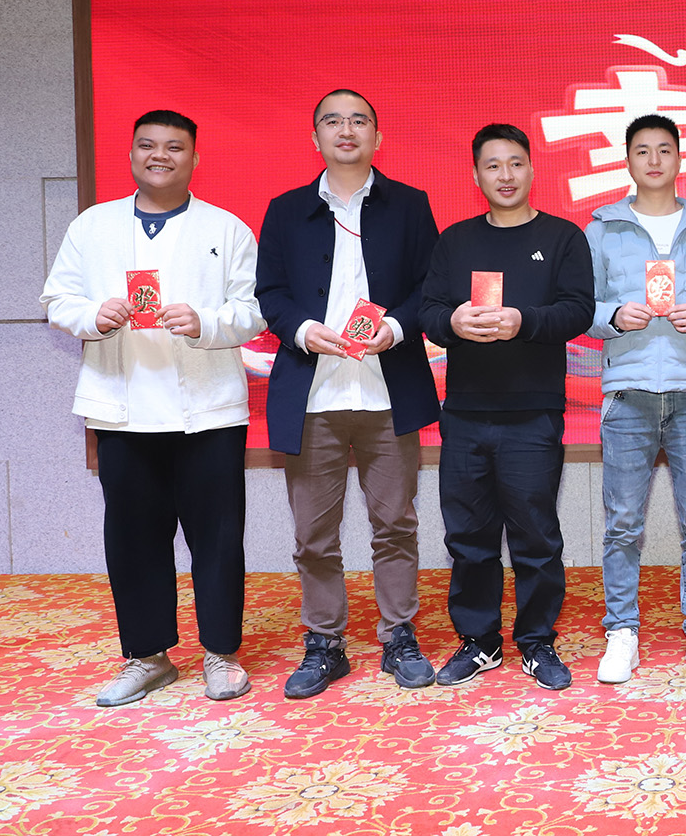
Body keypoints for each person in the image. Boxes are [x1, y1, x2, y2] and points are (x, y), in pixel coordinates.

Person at [40, 110, 265, 705]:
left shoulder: (226, 229)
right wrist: (94, 315)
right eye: (147, 145)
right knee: (133, 538)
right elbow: (57, 299)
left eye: (174, 147)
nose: (159, 155)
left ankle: (221, 653)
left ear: (194, 158)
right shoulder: (93, 225)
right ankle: (147, 656)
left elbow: (253, 311)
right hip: (122, 408)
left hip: (208, 412)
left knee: (218, 538)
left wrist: (206, 321)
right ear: (132, 154)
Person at [256, 89, 441, 699]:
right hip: (313, 396)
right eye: (332, 121)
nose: (346, 129)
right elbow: (270, 291)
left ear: (377, 138)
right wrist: (302, 330)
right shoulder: (286, 210)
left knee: (396, 524)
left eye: (359, 120)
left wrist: (397, 327)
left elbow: (430, 287)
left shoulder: (410, 205)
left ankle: (398, 636)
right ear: (314, 138)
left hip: (388, 393)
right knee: (314, 534)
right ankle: (324, 643)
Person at [419, 124, 593, 690]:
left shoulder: (563, 237)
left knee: (536, 537)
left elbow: (578, 310)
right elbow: (428, 311)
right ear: (476, 176)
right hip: (465, 412)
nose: (506, 175)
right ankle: (480, 641)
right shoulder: (456, 240)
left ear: (532, 170)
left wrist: (524, 321)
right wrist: (452, 322)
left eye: (516, 163)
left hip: (533, 413)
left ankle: (537, 641)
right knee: (468, 537)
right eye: (493, 165)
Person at [584, 114, 686, 683]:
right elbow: (580, 306)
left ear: (680, 158)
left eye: (664, 150)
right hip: (627, 393)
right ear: (627, 159)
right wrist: (611, 316)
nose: (654, 160)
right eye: (643, 150)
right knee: (623, 524)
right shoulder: (602, 229)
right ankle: (621, 632)